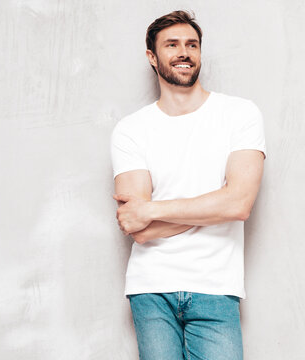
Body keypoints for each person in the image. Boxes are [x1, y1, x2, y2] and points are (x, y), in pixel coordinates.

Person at [110, 10, 266, 360]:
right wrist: (217, 205)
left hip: (216, 286)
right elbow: (141, 230)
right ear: (152, 56)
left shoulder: (240, 115)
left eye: (192, 45)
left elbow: (239, 204)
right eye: (172, 44)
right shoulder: (131, 130)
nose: (184, 52)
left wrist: (151, 209)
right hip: (151, 288)